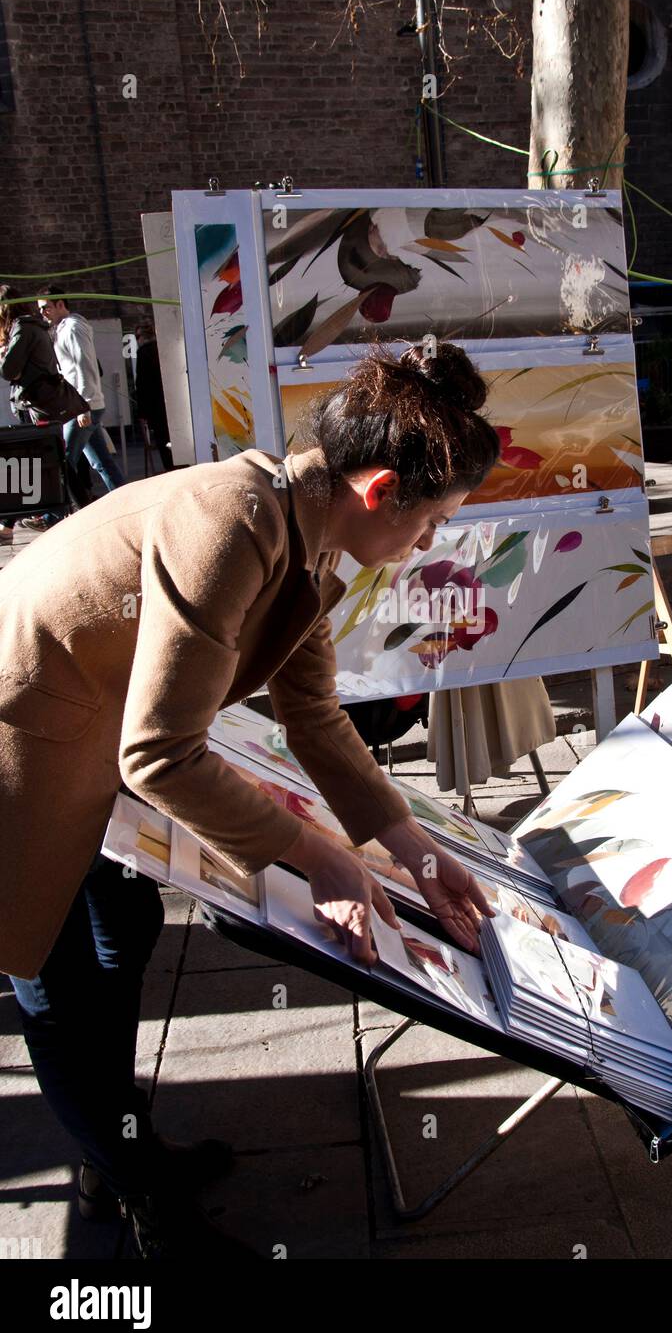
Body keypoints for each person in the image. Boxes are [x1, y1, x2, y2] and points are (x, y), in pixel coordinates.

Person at [0, 341, 500, 1259]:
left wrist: (411, 847)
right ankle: (142, 1194)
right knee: (60, 993)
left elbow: (312, 716)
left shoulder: (298, 523)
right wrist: (322, 859)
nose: (428, 544)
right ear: (382, 488)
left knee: (124, 938)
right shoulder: (233, 523)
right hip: (19, 757)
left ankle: (113, 1148)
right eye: (432, 521)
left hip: (86, 749)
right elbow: (161, 755)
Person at [0, 284, 89, 538]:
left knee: (40, 461)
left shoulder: (23, 329)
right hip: (35, 403)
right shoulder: (29, 328)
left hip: (35, 405)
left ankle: (8, 525)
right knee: (46, 461)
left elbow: (8, 370)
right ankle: (10, 524)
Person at [33, 287, 125, 530]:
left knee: (63, 461)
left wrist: (83, 407)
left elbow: (84, 366)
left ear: (61, 304)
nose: (43, 313)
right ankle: (128, 503)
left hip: (83, 406)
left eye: (46, 307)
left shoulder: (73, 328)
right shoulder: (64, 328)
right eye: (40, 309)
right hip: (84, 404)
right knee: (101, 462)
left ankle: (51, 517)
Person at [134, 318, 174, 471]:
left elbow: (142, 384)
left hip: (156, 408)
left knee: (164, 444)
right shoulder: (164, 348)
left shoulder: (144, 352)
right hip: (172, 404)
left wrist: (142, 412)